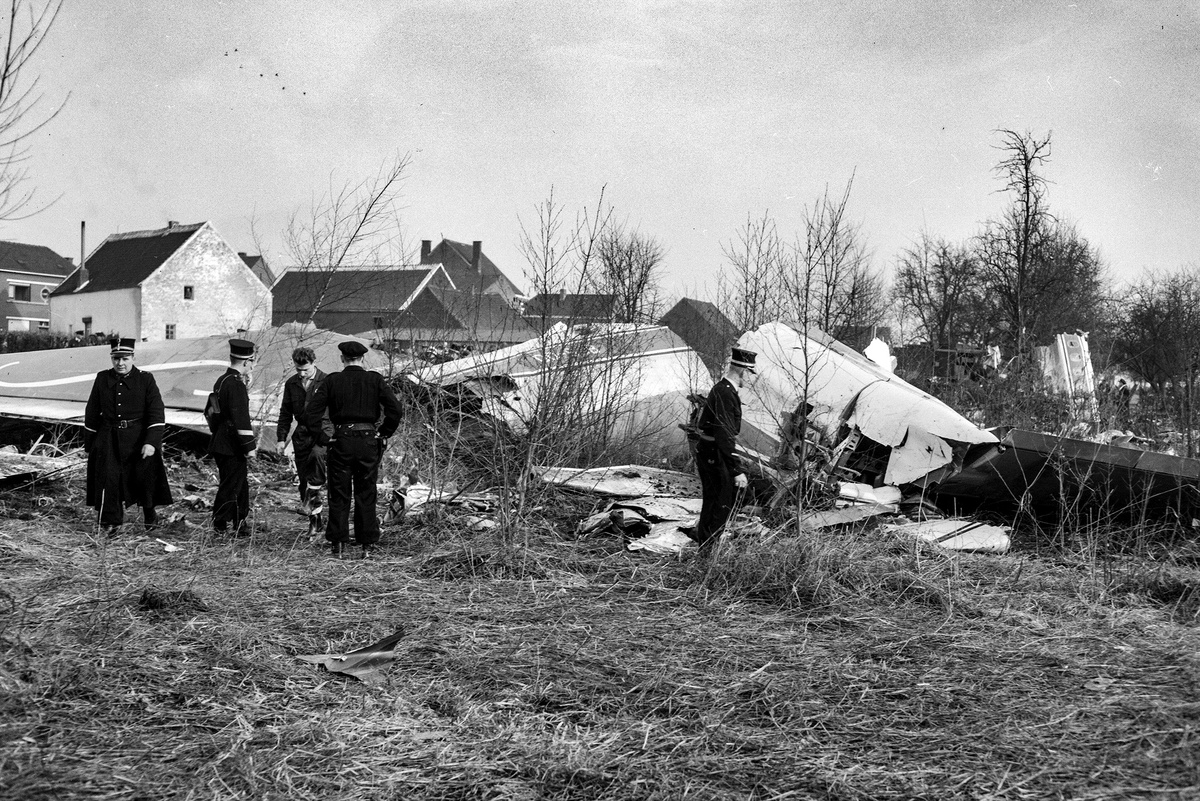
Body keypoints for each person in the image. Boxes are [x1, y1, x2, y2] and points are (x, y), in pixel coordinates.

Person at [305, 340, 402, 559]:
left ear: (342, 359)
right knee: (366, 492)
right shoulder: (374, 380)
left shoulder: (332, 381)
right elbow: (395, 409)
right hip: (368, 441)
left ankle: (338, 544)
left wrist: (322, 437)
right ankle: (366, 545)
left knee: (339, 493)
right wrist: (384, 432)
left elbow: (311, 413)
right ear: (363, 359)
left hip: (341, 440)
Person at [83, 337, 173, 532]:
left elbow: (156, 412)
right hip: (108, 437)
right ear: (111, 358)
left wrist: (151, 442)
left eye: (125, 358)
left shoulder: (145, 379)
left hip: (139, 438)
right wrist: (90, 444)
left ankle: (150, 514)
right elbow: (92, 411)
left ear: (133, 357)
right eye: (116, 358)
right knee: (109, 479)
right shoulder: (102, 378)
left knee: (144, 478)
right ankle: (111, 523)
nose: (120, 363)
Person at [694, 346, 756, 557]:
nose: (750, 378)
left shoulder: (723, 390)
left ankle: (706, 550)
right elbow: (724, 434)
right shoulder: (726, 393)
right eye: (750, 372)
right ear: (742, 370)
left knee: (715, 501)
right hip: (714, 453)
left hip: (711, 450)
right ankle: (707, 553)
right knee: (720, 503)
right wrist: (736, 469)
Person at [276, 346, 328, 533]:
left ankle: (317, 515)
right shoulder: (292, 383)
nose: (302, 373)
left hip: (321, 433)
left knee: (316, 462)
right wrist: (281, 439)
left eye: (305, 369)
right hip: (301, 435)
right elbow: (285, 413)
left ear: (313, 363)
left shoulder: (326, 381)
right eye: (298, 370)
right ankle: (315, 522)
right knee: (305, 481)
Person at [209, 338, 258, 536]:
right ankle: (220, 523)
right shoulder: (236, 385)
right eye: (252, 362)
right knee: (231, 484)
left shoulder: (222, 380)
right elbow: (241, 419)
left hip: (221, 440)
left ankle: (240, 521)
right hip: (232, 444)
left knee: (240, 483)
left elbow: (211, 411)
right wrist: (249, 446)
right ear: (246, 362)